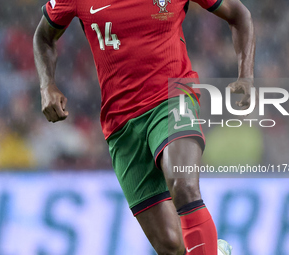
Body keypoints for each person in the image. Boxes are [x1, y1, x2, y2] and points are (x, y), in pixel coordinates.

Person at [33, 0, 255, 253]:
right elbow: (43, 37)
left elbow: (239, 14)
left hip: (175, 97)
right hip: (121, 124)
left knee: (184, 185)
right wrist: (46, 85)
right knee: (170, 244)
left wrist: (246, 76)